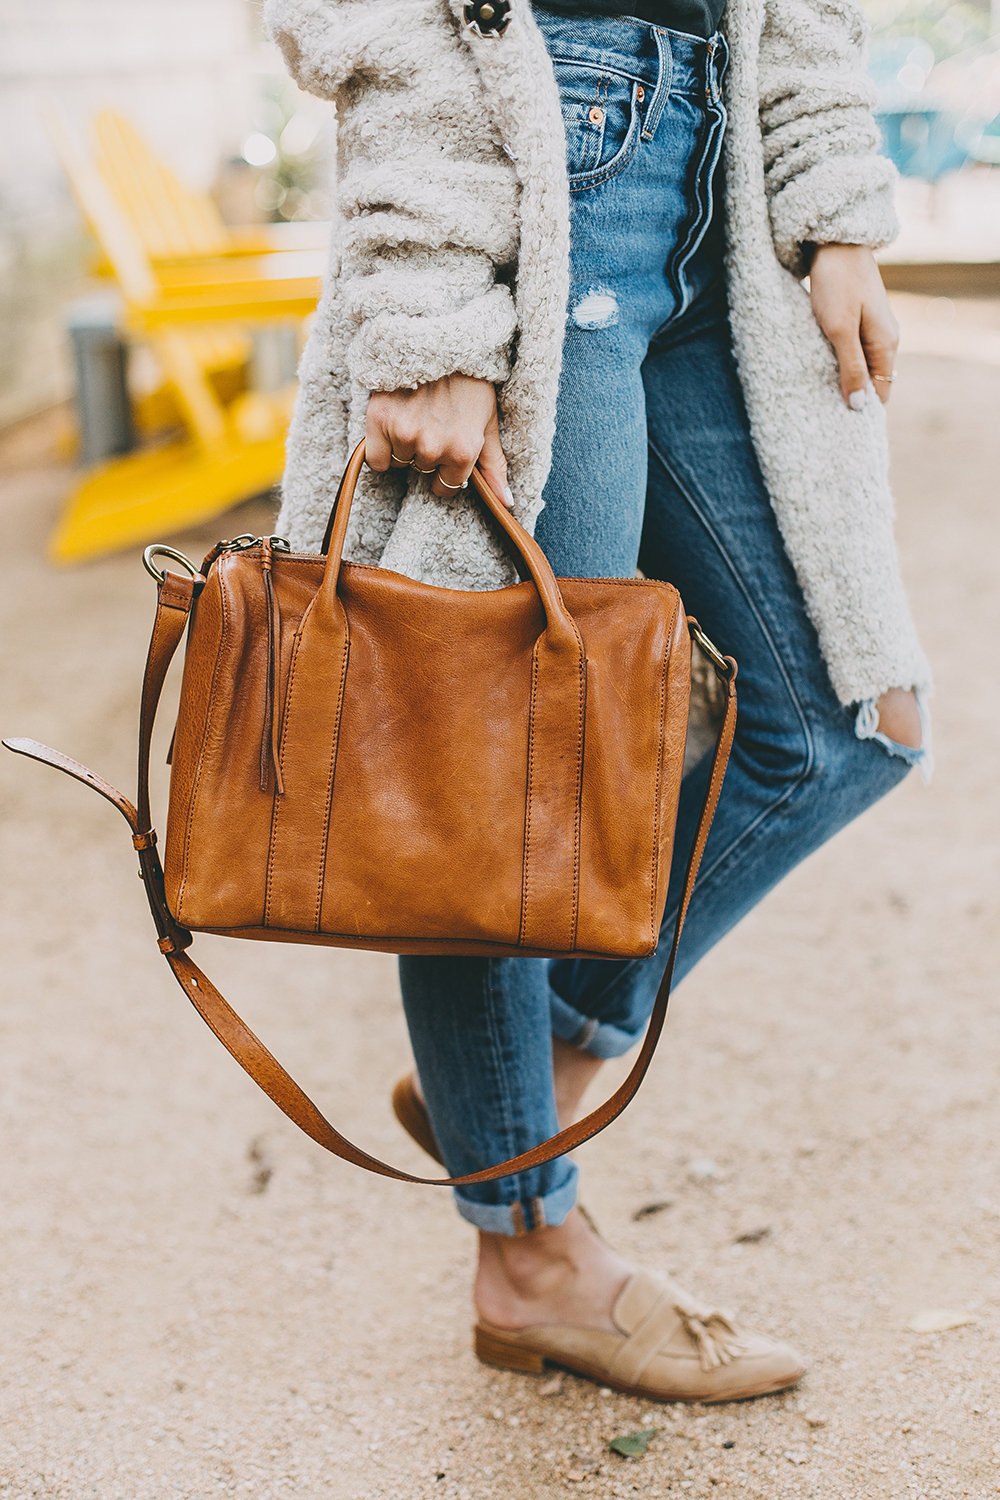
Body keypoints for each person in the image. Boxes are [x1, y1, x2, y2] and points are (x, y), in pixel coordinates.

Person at [265, 0, 930, 1403]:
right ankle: (528, 1257)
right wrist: (437, 305)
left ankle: (518, 1088)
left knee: (838, 724)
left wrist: (835, 199)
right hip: (538, 165)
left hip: (722, 183)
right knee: (499, 785)